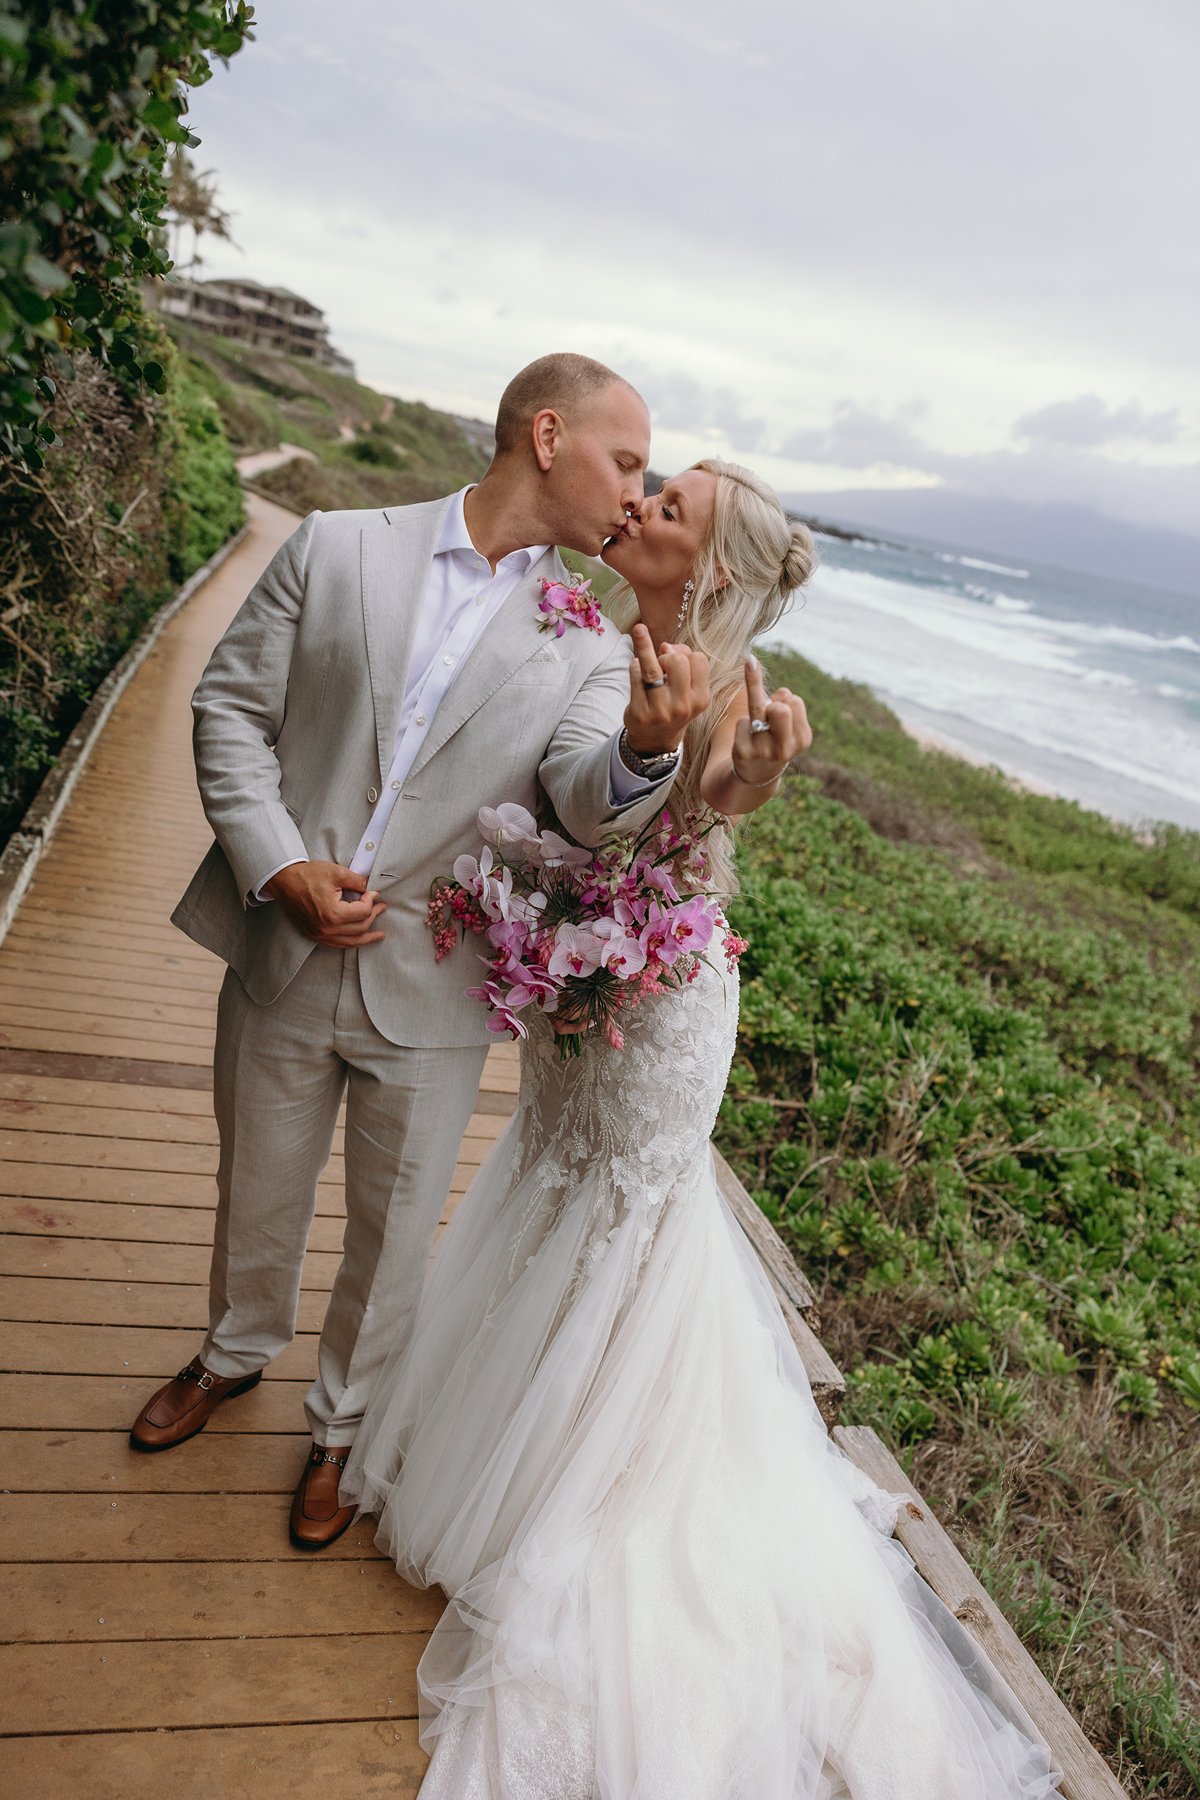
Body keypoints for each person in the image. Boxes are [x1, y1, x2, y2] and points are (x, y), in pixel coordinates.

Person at [340, 461, 1064, 1797]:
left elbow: (719, 794)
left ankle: (583, 1489)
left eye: (672, 507)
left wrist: (743, 784)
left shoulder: (720, 676)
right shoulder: (591, 628)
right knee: (545, 1180)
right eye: (655, 486)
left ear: (713, 570)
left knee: (623, 1214)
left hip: (660, 1006)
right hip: (580, 981)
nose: (645, 505)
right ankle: (504, 1444)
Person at [128, 353, 714, 1554]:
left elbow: (578, 800)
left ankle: (342, 1429)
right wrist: (278, 864)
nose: (634, 492)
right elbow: (228, 711)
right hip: (281, 947)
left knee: (396, 1234)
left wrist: (646, 757)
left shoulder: (592, 646)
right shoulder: (336, 547)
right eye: (626, 460)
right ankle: (233, 1354)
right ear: (547, 436)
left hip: (437, 988)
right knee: (260, 1188)